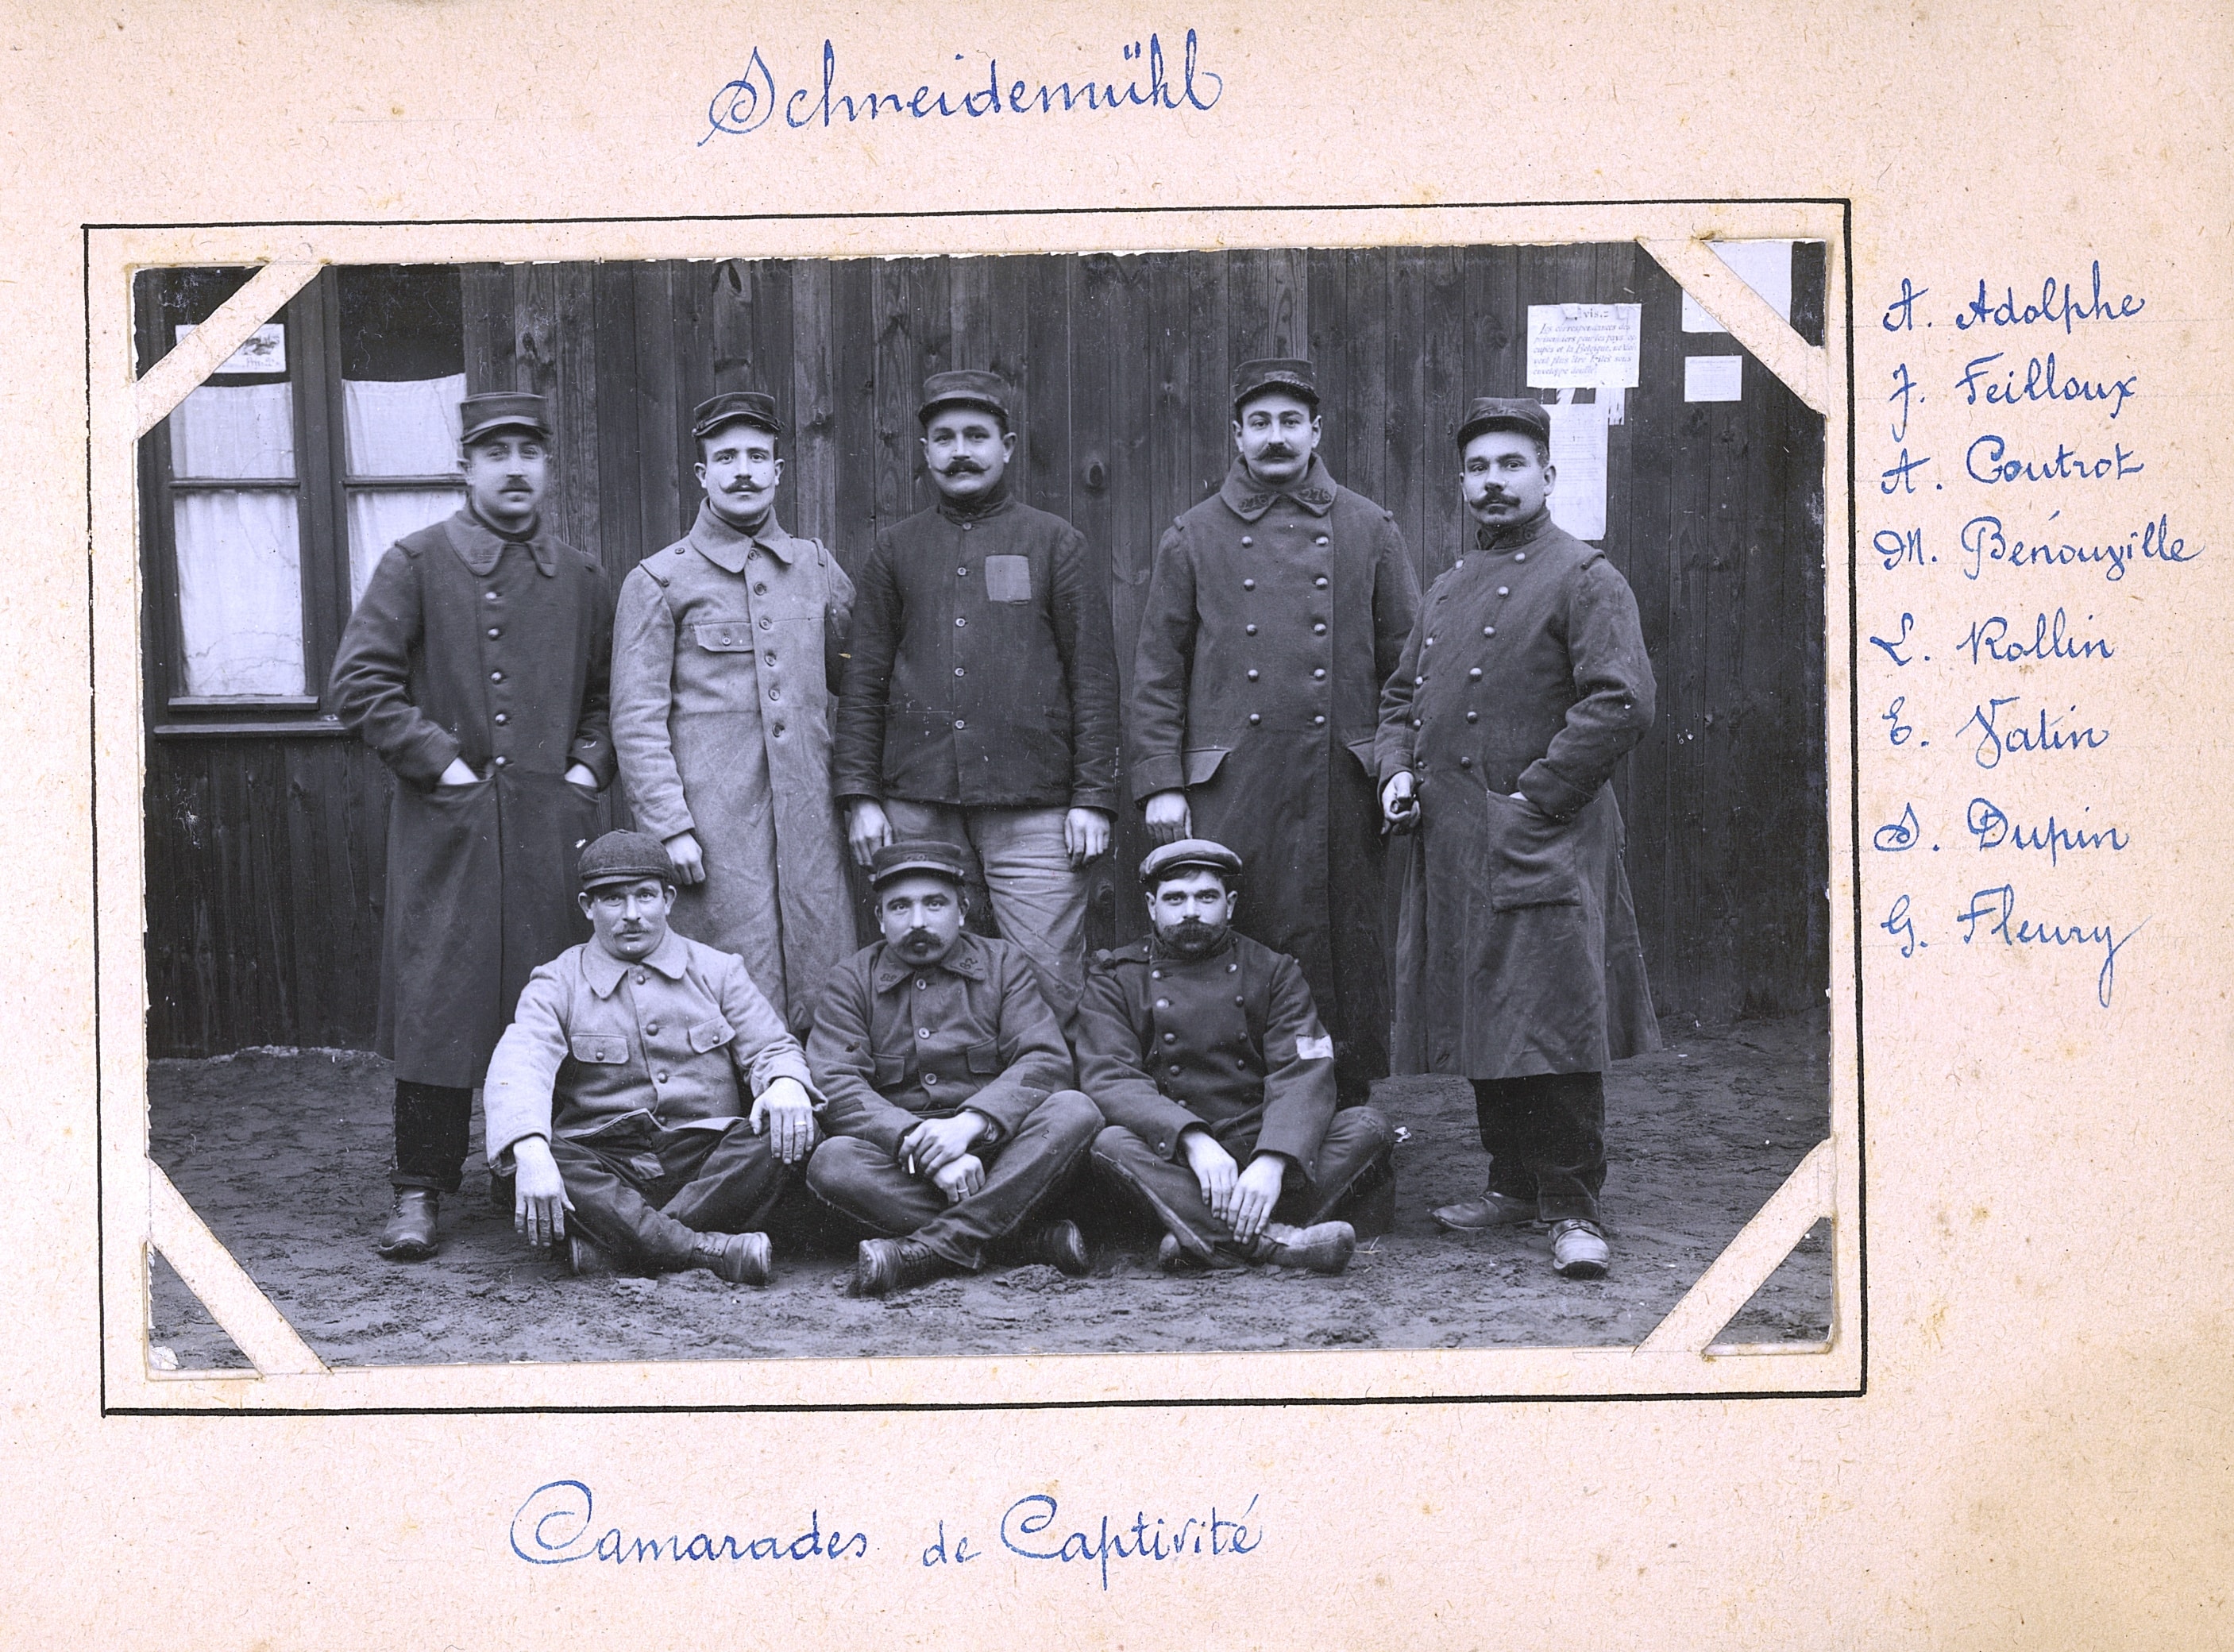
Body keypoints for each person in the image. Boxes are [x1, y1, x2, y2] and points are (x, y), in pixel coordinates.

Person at [1376, 398, 1661, 1280]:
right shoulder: (1448, 585)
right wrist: (1395, 770)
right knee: (1484, 1014)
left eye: (1509, 465)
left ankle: (1572, 1206)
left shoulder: (1584, 577)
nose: (1491, 482)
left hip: (1542, 836)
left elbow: (1618, 701)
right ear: (1461, 484)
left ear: (1546, 474)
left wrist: (1533, 799)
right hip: (1454, 844)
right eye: (1476, 469)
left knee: (1552, 1017)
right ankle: (1510, 1184)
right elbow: (1397, 700)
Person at [327, 391, 615, 1261]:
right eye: (497, 452)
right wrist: (441, 763)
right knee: (439, 1001)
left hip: (546, 826)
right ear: (467, 468)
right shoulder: (416, 562)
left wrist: (583, 772)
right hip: (446, 829)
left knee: (551, 996)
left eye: (531, 450)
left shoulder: (584, 578)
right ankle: (419, 1189)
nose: (516, 466)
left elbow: (608, 698)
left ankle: (538, 1167)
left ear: (548, 467)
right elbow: (359, 684)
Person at [1127, 357, 1418, 1106]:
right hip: (1235, 783)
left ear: (1316, 431)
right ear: (1237, 435)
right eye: (1260, 423)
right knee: (1240, 937)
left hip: (1338, 784)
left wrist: (1394, 765)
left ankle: (1346, 1110)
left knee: (1343, 950)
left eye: (1291, 422)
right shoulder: (1191, 535)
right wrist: (1160, 782)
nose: (1276, 437)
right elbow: (1158, 673)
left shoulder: (1368, 527)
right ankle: (1237, 1105)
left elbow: (1409, 670)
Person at [833, 369, 1119, 1029]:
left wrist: (1092, 798)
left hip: (1036, 808)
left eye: (976, 436)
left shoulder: (1055, 543)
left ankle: (1052, 1117)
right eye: (943, 438)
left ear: (1007, 446)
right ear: (926, 452)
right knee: (922, 971)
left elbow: (1094, 681)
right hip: (917, 802)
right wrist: (860, 797)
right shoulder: (895, 549)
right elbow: (862, 679)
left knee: (1047, 975)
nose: (960, 451)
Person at [611, 389, 857, 1036]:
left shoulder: (817, 567)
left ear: (778, 470)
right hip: (715, 832)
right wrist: (669, 828)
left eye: (757, 456)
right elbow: (637, 720)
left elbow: (862, 690)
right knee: (726, 979)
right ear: (703, 474)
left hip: (811, 825)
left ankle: (821, 1105)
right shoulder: (659, 581)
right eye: (726, 457)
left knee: (825, 973)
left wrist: (857, 796)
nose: (742, 470)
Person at [480, 830, 819, 1283]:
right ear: (588, 907)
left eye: (645, 896)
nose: (633, 915)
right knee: (526, 1158)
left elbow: (772, 1048)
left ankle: (627, 1248)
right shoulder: (557, 981)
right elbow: (520, 1064)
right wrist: (532, 1149)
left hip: (707, 1161)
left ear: (669, 899)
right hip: (608, 1164)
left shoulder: (719, 971)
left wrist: (785, 1084)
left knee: (786, 1130)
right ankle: (697, 1248)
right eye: (614, 900)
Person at [1078, 839, 1394, 1276]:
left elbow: (1303, 1068)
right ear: (1152, 907)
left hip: (1260, 1138)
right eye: (1175, 899)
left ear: (1230, 904)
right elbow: (1110, 1077)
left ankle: (1199, 1236)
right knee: (1109, 1144)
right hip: (1176, 1156)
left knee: (1368, 1126)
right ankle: (1275, 1243)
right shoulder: (1116, 978)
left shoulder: (1273, 970)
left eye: (1206, 897)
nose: (1191, 911)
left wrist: (1273, 1160)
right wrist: (1193, 1139)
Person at [804, 839, 1102, 1297]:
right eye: (900, 907)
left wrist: (971, 1124)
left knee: (1074, 1110)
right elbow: (835, 1082)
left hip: (998, 1154)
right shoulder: (851, 980)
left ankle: (930, 1250)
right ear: (880, 918)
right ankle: (1019, 1240)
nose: (918, 921)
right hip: (903, 1164)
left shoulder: (1004, 965)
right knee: (832, 1162)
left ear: (962, 910)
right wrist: (917, 1146)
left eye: (935, 904)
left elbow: (1044, 1060)